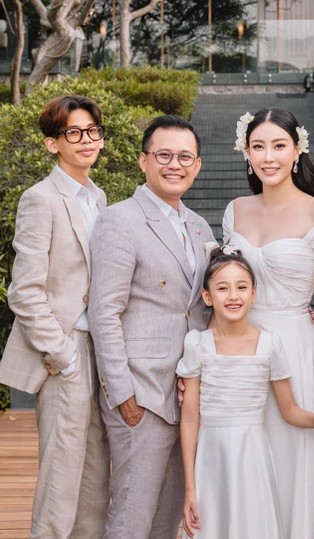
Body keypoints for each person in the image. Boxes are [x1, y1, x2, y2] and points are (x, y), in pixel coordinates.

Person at [223, 108, 314, 539]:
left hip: (298, 352)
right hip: (240, 350)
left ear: (297, 150)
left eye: (278, 146)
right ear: (246, 152)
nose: (268, 156)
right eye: (258, 146)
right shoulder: (235, 211)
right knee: (243, 462)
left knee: (295, 464)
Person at [89, 114, 216, 539]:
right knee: (132, 516)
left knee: (167, 518)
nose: (174, 165)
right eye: (164, 155)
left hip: (188, 393)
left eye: (185, 157)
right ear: (143, 161)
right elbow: (104, 311)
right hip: (141, 392)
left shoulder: (199, 226)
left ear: (197, 166)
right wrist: (121, 392)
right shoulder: (120, 219)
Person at [0, 95, 110, 539]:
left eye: (93, 131)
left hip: (98, 348)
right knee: (61, 474)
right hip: (66, 352)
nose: (87, 140)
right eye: (74, 133)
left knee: (95, 472)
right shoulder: (40, 198)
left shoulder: (98, 198)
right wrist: (62, 354)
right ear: (52, 144)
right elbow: (24, 291)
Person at [178, 247, 314, 539]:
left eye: (242, 287)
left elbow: (289, 410)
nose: (233, 296)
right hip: (211, 459)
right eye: (222, 288)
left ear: (254, 294)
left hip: (252, 456)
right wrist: (190, 487)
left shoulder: (269, 345)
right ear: (207, 297)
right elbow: (190, 419)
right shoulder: (197, 345)